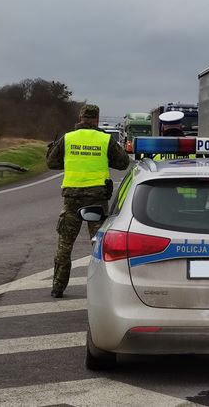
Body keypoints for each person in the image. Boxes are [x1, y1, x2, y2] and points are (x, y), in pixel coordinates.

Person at [46, 104, 129, 298]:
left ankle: (58, 287)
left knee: (65, 245)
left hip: (71, 199)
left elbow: (51, 163)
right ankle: (105, 287)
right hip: (97, 199)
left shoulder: (68, 138)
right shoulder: (105, 139)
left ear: (80, 118)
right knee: (100, 245)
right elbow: (123, 162)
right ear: (97, 119)